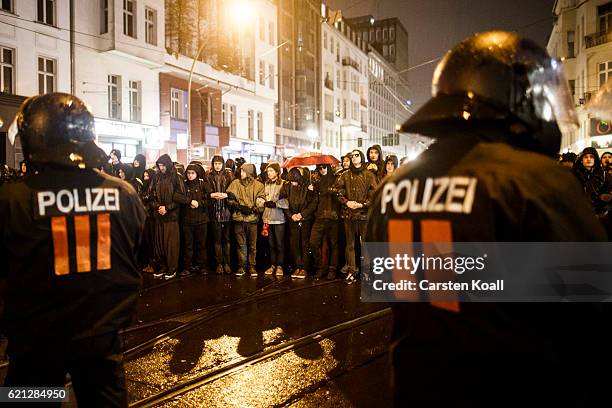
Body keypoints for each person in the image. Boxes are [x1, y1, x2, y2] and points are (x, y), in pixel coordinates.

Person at [366, 31, 609, 406]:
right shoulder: (535, 180)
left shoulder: (391, 188)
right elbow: (590, 312)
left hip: (420, 388)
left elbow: (397, 294)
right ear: (515, 97)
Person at [0, 93, 146, 407]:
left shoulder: (13, 198)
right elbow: (136, 254)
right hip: (101, 338)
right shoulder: (123, 193)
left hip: (35, 343)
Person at [336, 149, 377, 283]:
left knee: (366, 244)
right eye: (352, 156)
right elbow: (337, 191)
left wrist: (362, 204)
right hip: (349, 215)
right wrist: (347, 202)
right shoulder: (345, 175)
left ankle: (366, 271)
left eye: (356, 155)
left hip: (364, 214)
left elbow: (374, 193)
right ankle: (352, 271)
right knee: (350, 244)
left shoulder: (369, 175)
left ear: (362, 157)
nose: (354, 158)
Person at [226, 163, 265, 277]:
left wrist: (253, 209)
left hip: (252, 219)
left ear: (248, 172)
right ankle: (241, 266)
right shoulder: (235, 183)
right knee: (241, 244)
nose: (240, 173)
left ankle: (252, 266)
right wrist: (239, 207)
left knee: (252, 245)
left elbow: (261, 201)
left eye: (243, 171)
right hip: (239, 218)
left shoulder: (258, 185)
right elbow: (229, 198)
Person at [153, 154, 186, 280]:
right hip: (159, 215)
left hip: (172, 216)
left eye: (163, 165)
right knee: (160, 243)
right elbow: (153, 194)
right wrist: (158, 207)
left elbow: (179, 197)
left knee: (171, 244)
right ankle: (163, 266)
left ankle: (172, 268)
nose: (161, 168)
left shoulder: (176, 177)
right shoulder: (157, 177)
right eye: (159, 166)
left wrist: (167, 208)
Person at [281, 167, 317, 279]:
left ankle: (304, 268)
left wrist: (302, 214)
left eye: (295, 181)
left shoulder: (308, 186)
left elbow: (313, 203)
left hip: (305, 219)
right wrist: (291, 215)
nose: (293, 183)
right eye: (292, 181)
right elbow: (283, 202)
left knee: (304, 243)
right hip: (293, 219)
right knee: (294, 243)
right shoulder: (286, 186)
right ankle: (298, 266)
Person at [177, 163, 211, 276]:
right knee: (188, 245)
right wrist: (189, 201)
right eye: (188, 173)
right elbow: (176, 196)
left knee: (201, 245)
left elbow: (210, 199)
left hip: (201, 220)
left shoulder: (203, 185)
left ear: (197, 174)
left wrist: (199, 204)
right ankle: (187, 267)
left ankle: (203, 266)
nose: (190, 175)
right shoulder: (183, 184)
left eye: (192, 173)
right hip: (187, 220)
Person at [309, 164, 340, 280]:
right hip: (320, 216)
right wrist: (312, 190)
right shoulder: (316, 181)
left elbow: (340, 195)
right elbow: (314, 200)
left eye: (324, 167)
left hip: (333, 216)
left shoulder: (336, 179)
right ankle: (321, 267)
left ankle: (332, 269)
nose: (322, 170)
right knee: (313, 242)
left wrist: (334, 191)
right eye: (320, 168)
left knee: (334, 244)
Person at [207, 155, 234, 275]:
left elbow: (233, 192)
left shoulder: (228, 176)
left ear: (223, 164)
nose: (217, 166)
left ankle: (227, 263)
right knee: (217, 240)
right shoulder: (208, 177)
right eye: (215, 163)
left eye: (219, 163)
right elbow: (206, 192)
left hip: (226, 212)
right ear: (212, 164)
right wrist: (211, 195)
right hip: (214, 212)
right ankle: (219, 264)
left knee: (226, 240)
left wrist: (227, 195)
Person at [262, 162, 288, 277]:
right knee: (270, 244)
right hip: (267, 218)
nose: (269, 173)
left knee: (279, 243)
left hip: (279, 219)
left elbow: (287, 202)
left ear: (277, 172)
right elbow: (261, 197)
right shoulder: (266, 184)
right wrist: (263, 202)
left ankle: (280, 266)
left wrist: (276, 204)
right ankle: (272, 264)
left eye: (271, 171)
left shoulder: (283, 184)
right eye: (268, 171)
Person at [573, 147, 607, 214]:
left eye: (591, 157)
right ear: (581, 160)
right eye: (585, 157)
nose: (588, 159)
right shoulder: (574, 175)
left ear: (595, 160)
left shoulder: (604, 175)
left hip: (599, 213)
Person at [140, 168, 158, 273]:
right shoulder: (143, 187)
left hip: (152, 217)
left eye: (147, 176)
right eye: (144, 176)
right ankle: (148, 263)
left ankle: (153, 264)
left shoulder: (154, 187)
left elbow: (152, 199)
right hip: (145, 217)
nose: (145, 178)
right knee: (147, 241)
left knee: (152, 241)